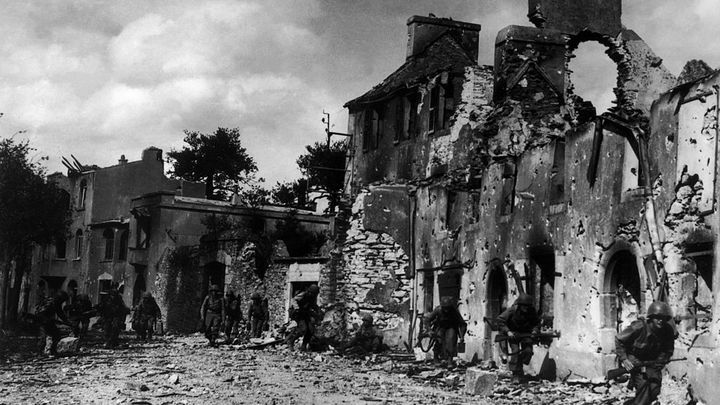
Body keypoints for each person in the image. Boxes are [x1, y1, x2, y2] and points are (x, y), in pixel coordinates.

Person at [615, 301, 677, 405]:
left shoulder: (668, 330)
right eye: (658, 317)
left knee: (654, 388)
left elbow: (668, 349)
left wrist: (662, 360)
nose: (661, 321)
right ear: (651, 318)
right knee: (643, 386)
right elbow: (619, 339)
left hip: (652, 361)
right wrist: (624, 359)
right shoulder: (638, 327)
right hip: (635, 359)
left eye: (664, 318)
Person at [496, 293, 541, 383]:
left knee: (528, 351)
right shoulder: (512, 311)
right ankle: (516, 374)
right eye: (524, 306)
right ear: (520, 305)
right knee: (515, 352)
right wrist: (508, 331)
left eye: (527, 306)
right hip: (514, 334)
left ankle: (519, 365)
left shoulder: (532, 312)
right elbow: (500, 320)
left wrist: (535, 331)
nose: (526, 308)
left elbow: (537, 323)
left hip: (526, 334)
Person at [423, 296, 467, 363]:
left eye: (448, 308)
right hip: (440, 327)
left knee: (451, 341)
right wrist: (429, 330)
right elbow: (427, 320)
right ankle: (436, 357)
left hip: (451, 327)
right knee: (438, 340)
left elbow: (462, 324)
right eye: (445, 308)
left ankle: (450, 360)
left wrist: (462, 336)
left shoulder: (454, 311)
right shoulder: (438, 309)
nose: (446, 310)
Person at [34, 290, 70, 356]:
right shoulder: (50, 302)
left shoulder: (56, 303)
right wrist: (46, 320)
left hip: (48, 321)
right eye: (63, 300)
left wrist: (67, 321)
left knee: (56, 335)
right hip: (42, 321)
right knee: (43, 337)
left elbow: (60, 313)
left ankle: (52, 351)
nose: (63, 302)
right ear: (60, 298)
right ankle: (39, 353)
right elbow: (40, 312)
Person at [285, 284, 321, 351]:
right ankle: (290, 341)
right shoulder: (303, 294)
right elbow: (293, 300)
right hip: (298, 313)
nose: (313, 295)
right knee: (303, 329)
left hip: (305, 313)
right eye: (313, 293)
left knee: (310, 330)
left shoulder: (312, 297)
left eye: (315, 294)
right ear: (310, 291)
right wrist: (296, 308)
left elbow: (313, 305)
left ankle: (303, 347)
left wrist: (318, 310)